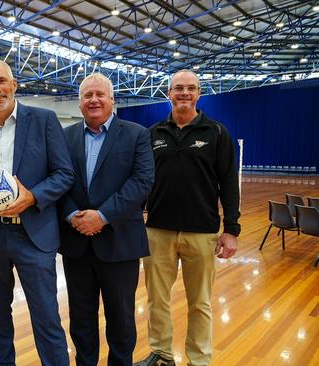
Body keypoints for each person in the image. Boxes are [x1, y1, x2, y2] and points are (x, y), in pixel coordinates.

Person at [0, 59, 74, 366]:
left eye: (1, 81)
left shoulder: (44, 120)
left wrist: (32, 197)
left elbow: (65, 174)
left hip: (33, 235)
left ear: (14, 85)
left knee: (46, 317)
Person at [134, 70, 240, 366]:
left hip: (202, 233)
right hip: (157, 231)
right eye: (178, 88)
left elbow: (229, 183)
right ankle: (162, 354)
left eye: (190, 88)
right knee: (157, 300)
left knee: (200, 303)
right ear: (169, 93)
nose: (184, 93)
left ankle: (199, 359)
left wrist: (231, 229)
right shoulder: (152, 134)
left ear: (198, 93)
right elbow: (142, 182)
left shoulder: (216, 132)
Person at [58, 73, 154, 366]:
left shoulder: (137, 134)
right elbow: (57, 180)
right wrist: (73, 213)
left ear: (112, 100)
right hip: (76, 243)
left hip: (120, 242)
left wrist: (103, 216)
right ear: (79, 102)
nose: (94, 100)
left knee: (121, 321)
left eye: (100, 94)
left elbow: (142, 182)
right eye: (87, 95)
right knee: (81, 320)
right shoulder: (66, 136)